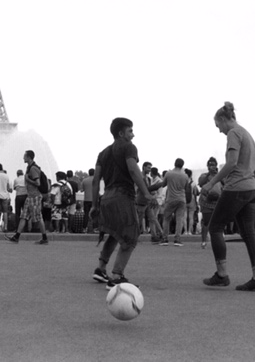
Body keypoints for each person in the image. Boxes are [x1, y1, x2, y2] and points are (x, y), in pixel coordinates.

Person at [201, 102, 255, 292]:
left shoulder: (233, 133)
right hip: (251, 189)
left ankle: (221, 275)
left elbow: (231, 163)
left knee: (214, 227)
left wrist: (211, 183)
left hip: (237, 188)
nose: (219, 131)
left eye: (218, 126)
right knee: (248, 233)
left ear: (223, 120)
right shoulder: (248, 134)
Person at [90, 117, 152, 289]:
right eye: (130, 131)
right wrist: (146, 193)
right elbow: (133, 170)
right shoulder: (129, 147)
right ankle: (117, 276)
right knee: (131, 235)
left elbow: (96, 181)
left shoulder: (103, 153)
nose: (133, 135)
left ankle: (101, 268)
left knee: (114, 233)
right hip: (122, 197)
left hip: (106, 198)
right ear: (121, 133)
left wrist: (94, 205)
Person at [5, 150, 49, 244]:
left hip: (34, 196)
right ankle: (16, 236)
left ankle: (44, 238)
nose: (23, 158)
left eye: (24, 156)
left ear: (29, 157)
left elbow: (37, 183)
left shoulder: (33, 168)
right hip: (30, 197)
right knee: (23, 216)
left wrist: (28, 180)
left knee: (38, 217)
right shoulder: (29, 167)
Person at [151, 158, 189, 247]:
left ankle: (165, 239)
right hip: (182, 199)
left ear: (174, 163)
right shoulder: (185, 176)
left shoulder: (169, 173)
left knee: (166, 218)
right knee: (179, 219)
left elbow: (163, 184)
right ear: (182, 165)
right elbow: (186, 187)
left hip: (171, 199)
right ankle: (177, 239)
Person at [198, 157, 222, 249]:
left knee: (218, 222)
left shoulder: (220, 175)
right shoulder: (204, 176)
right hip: (206, 201)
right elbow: (201, 183)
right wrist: (209, 174)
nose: (211, 166)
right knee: (206, 222)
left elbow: (225, 183)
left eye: (213, 164)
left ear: (216, 165)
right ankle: (204, 241)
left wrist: (218, 174)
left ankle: (217, 240)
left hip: (218, 201)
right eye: (210, 165)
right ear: (207, 166)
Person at [81, 168, 95, 233]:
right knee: (94, 215)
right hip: (94, 200)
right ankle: (93, 228)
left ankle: (84, 228)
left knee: (86, 214)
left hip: (86, 199)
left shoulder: (84, 180)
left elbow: (82, 190)